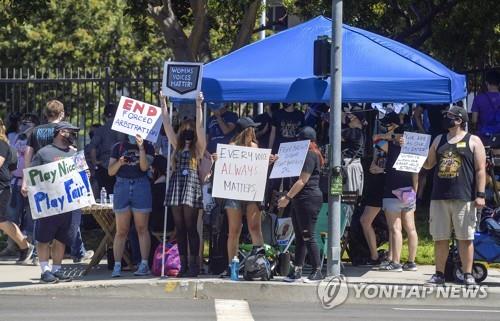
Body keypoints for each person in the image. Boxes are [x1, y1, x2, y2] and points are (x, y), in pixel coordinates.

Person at [422, 105, 486, 286]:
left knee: (465, 238)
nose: (446, 119)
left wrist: (480, 195)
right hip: (439, 196)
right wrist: (413, 150)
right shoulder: (439, 139)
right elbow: (428, 165)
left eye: (450, 116)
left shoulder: (473, 140)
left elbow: (481, 170)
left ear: (459, 120)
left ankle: (467, 274)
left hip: (464, 197)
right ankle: (439, 274)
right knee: (440, 238)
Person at [216, 116, 276, 278]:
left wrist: (269, 162)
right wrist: (219, 160)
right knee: (234, 230)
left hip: (251, 193)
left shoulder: (255, 147)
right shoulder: (231, 147)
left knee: (254, 228)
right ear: (247, 131)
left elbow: (259, 170)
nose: (255, 131)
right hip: (234, 192)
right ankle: (232, 265)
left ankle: (261, 264)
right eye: (253, 129)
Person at [22, 121, 81, 283]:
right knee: (43, 238)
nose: (74, 135)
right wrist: (26, 185)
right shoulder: (43, 153)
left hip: (68, 205)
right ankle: (45, 271)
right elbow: (32, 173)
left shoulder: (74, 153)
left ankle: (56, 269)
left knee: (62, 238)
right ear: (62, 132)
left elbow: (84, 174)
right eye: (71, 132)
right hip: (49, 205)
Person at [160, 92, 206, 277]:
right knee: (179, 227)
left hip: (191, 185)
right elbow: (167, 124)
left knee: (190, 226)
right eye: (185, 128)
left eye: (191, 129)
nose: (187, 131)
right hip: (177, 185)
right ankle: (184, 263)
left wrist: (198, 105)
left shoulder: (198, 147)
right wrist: (163, 102)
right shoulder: (176, 145)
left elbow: (201, 127)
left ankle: (194, 264)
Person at [279, 126, 324, 282]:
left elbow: (302, 180)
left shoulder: (310, 155)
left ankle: (317, 270)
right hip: (301, 199)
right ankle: (297, 270)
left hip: (308, 199)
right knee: (300, 236)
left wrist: (287, 198)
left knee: (307, 235)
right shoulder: (306, 155)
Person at [375, 114, 419, 272]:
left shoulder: (391, 146)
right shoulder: (414, 152)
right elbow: (416, 175)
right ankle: (411, 262)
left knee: (395, 229)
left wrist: (390, 137)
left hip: (392, 191)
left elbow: (376, 140)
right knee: (411, 228)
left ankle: (395, 262)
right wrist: (416, 192)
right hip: (408, 191)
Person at [108, 133, 155, 277]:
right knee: (121, 230)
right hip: (122, 185)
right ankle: (117, 265)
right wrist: (120, 162)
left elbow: (143, 167)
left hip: (141, 185)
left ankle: (144, 264)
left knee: (142, 228)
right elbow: (110, 171)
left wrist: (141, 148)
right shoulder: (118, 146)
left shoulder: (148, 146)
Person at [1, 114, 39, 258]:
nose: (24, 125)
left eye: (28, 123)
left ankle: (32, 248)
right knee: (10, 216)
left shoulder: (35, 139)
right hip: (15, 182)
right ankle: (12, 246)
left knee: (31, 218)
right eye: (23, 123)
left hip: (30, 182)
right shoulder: (17, 138)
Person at [359, 113, 392, 266]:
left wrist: (390, 137)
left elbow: (378, 141)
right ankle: (374, 255)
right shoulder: (383, 142)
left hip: (387, 183)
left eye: (389, 126)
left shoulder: (394, 144)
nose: (386, 129)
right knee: (365, 221)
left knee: (395, 224)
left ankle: (392, 257)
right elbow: (375, 140)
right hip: (376, 183)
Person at [89, 103, 121, 194]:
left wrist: (95, 162)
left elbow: (93, 147)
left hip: (105, 166)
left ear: (104, 115)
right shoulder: (122, 129)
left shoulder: (101, 130)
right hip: (120, 165)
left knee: (106, 194)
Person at [471, 70, 500, 142]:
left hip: (484, 136)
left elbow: (474, 120)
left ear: (486, 83)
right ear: (499, 84)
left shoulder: (478, 98)